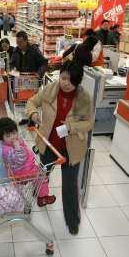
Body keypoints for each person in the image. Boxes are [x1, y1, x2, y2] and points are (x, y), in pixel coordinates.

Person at [26, 61, 94, 235]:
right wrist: (33, 113)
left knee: (70, 186)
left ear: (78, 83)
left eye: (70, 81)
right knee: (43, 174)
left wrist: (72, 127)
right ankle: (38, 194)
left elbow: (89, 122)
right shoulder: (50, 89)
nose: (65, 83)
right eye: (63, 77)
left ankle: (72, 221)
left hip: (71, 148)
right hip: (49, 144)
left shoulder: (84, 97)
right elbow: (32, 102)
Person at [0, 117, 56, 207]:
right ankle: (43, 197)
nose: (13, 137)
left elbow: (22, 144)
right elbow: (21, 160)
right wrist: (18, 147)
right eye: (8, 136)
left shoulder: (7, 144)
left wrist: (20, 142)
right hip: (24, 172)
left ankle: (36, 195)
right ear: (2, 139)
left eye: (14, 133)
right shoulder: (8, 150)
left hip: (22, 170)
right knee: (42, 176)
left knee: (38, 174)